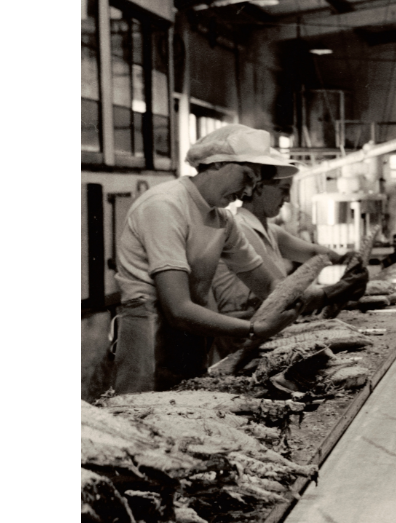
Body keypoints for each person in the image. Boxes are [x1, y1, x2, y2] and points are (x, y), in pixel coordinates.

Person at [109, 126, 291, 393]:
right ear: (217, 163)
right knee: (146, 414)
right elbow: (178, 308)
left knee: (190, 413)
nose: (248, 192)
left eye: (256, 184)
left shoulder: (221, 220)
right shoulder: (166, 206)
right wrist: (253, 328)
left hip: (191, 335)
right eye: (247, 177)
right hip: (151, 332)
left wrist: (307, 297)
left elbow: (267, 285)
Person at [209, 153, 365, 361]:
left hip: (265, 333)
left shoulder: (271, 231)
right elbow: (282, 294)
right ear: (258, 188)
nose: (288, 199)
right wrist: (337, 290)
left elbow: (312, 252)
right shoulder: (240, 230)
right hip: (241, 340)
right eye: (284, 190)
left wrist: (347, 259)